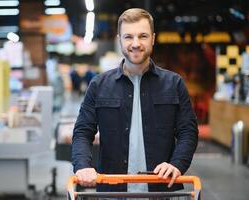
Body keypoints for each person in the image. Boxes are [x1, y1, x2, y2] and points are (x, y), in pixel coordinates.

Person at [72, 8, 198, 192]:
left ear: (153, 39)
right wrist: (83, 165)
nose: (136, 43)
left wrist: (177, 165)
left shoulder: (174, 83)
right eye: (128, 37)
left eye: (143, 36)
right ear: (119, 40)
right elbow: (83, 131)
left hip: (160, 191)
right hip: (113, 192)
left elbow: (188, 131)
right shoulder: (99, 85)